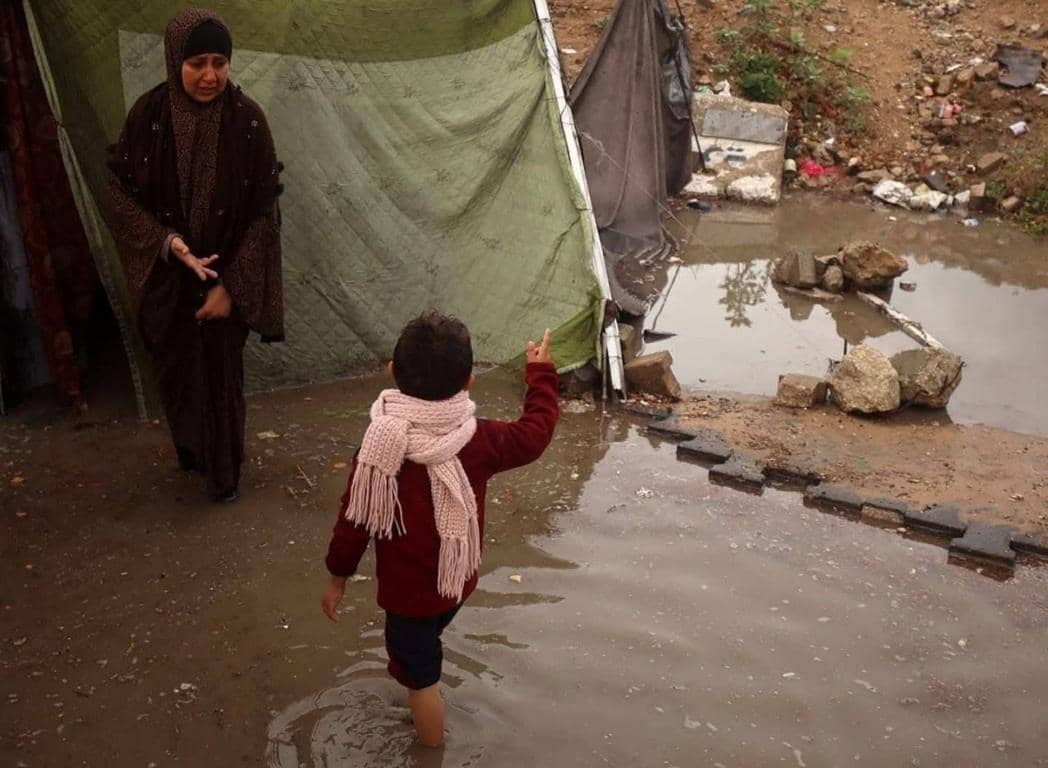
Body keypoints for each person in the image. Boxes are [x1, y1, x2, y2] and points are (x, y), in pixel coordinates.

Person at [321, 311, 559, 747]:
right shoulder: (480, 439)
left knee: (421, 683)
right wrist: (540, 374)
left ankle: (432, 751)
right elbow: (536, 432)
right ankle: (424, 669)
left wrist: (338, 578)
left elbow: (354, 521)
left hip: (408, 600)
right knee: (424, 651)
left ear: (393, 372)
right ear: (469, 380)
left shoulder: (378, 448)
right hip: (457, 583)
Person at [106, 9, 283, 502]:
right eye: (198, 63)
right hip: (167, 279)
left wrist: (232, 286)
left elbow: (264, 212)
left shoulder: (248, 122)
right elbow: (118, 193)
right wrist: (167, 242)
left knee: (221, 380)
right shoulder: (148, 117)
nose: (210, 76)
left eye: (220, 62)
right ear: (174, 61)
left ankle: (224, 477)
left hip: (227, 274)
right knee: (180, 375)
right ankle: (192, 452)